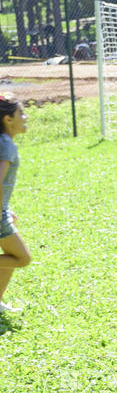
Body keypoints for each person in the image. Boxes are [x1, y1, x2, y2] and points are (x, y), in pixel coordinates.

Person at [0, 94, 31, 313]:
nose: (25, 117)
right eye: (21, 113)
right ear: (8, 119)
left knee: (10, 256)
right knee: (21, 258)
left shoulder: (3, 141)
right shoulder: (6, 146)